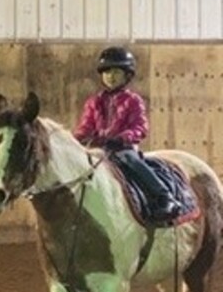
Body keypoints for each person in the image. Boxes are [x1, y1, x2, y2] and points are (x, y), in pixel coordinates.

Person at [73, 46, 180, 221]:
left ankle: (164, 196)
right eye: (107, 72)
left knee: (131, 160)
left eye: (116, 72)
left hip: (122, 148)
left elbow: (140, 127)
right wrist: (78, 139)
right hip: (99, 150)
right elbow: (85, 126)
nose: (111, 76)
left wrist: (122, 138)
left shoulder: (133, 101)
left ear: (127, 75)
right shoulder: (94, 102)